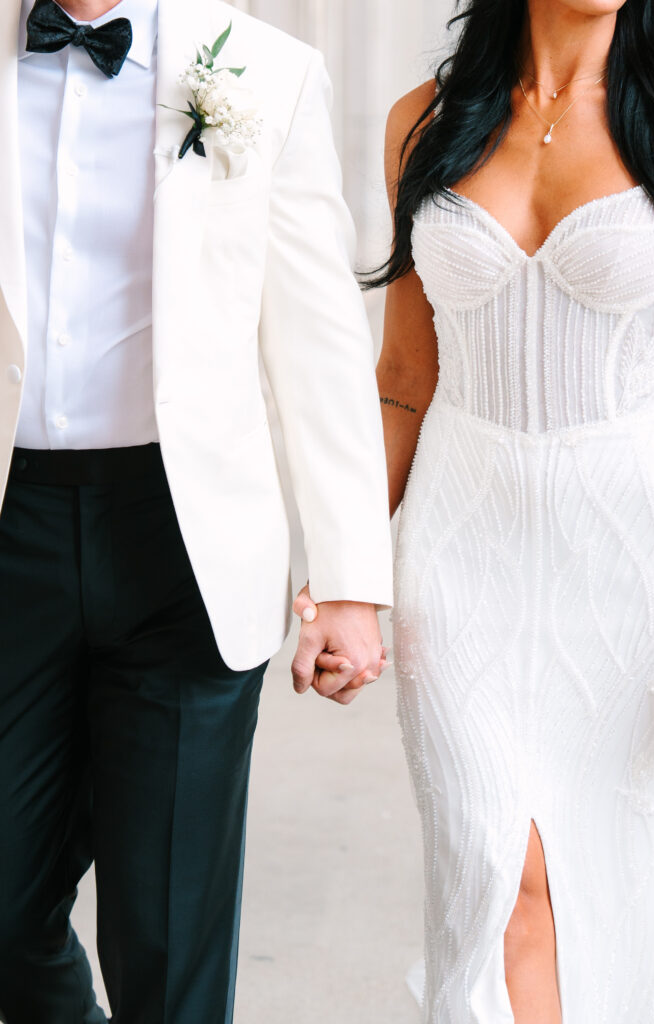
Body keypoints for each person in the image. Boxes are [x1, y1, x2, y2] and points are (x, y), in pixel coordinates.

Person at [0, 1, 393, 1022]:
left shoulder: (267, 72)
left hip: (185, 542)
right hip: (15, 523)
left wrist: (349, 581)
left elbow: (317, 338)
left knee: (167, 943)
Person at [373, 0, 654, 1020]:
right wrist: (344, 576)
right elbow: (405, 375)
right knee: (495, 875)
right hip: (460, 558)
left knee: (612, 882)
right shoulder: (425, 121)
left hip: (635, 564)